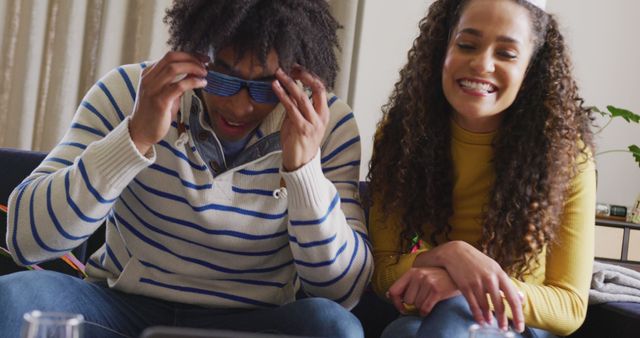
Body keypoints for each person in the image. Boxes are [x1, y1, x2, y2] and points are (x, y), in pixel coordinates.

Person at [1, 1, 371, 337]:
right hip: (119, 310)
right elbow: (27, 240)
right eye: (223, 77)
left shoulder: (326, 124)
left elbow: (343, 291)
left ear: (294, 75)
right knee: (14, 298)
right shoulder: (130, 92)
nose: (239, 107)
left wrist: (304, 171)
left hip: (253, 324)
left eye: (264, 88)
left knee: (335, 328)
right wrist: (133, 138)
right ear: (196, 49)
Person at [367, 0, 595, 337]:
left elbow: (570, 305)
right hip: (427, 315)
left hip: (517, 323)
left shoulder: (564, 154)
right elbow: (382, 271)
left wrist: (470, 285)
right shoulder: (402, 135)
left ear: (531, 68)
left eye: (506, 54)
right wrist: (452, 254)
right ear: (442, 49)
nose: (481, 64)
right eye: (467, 45)